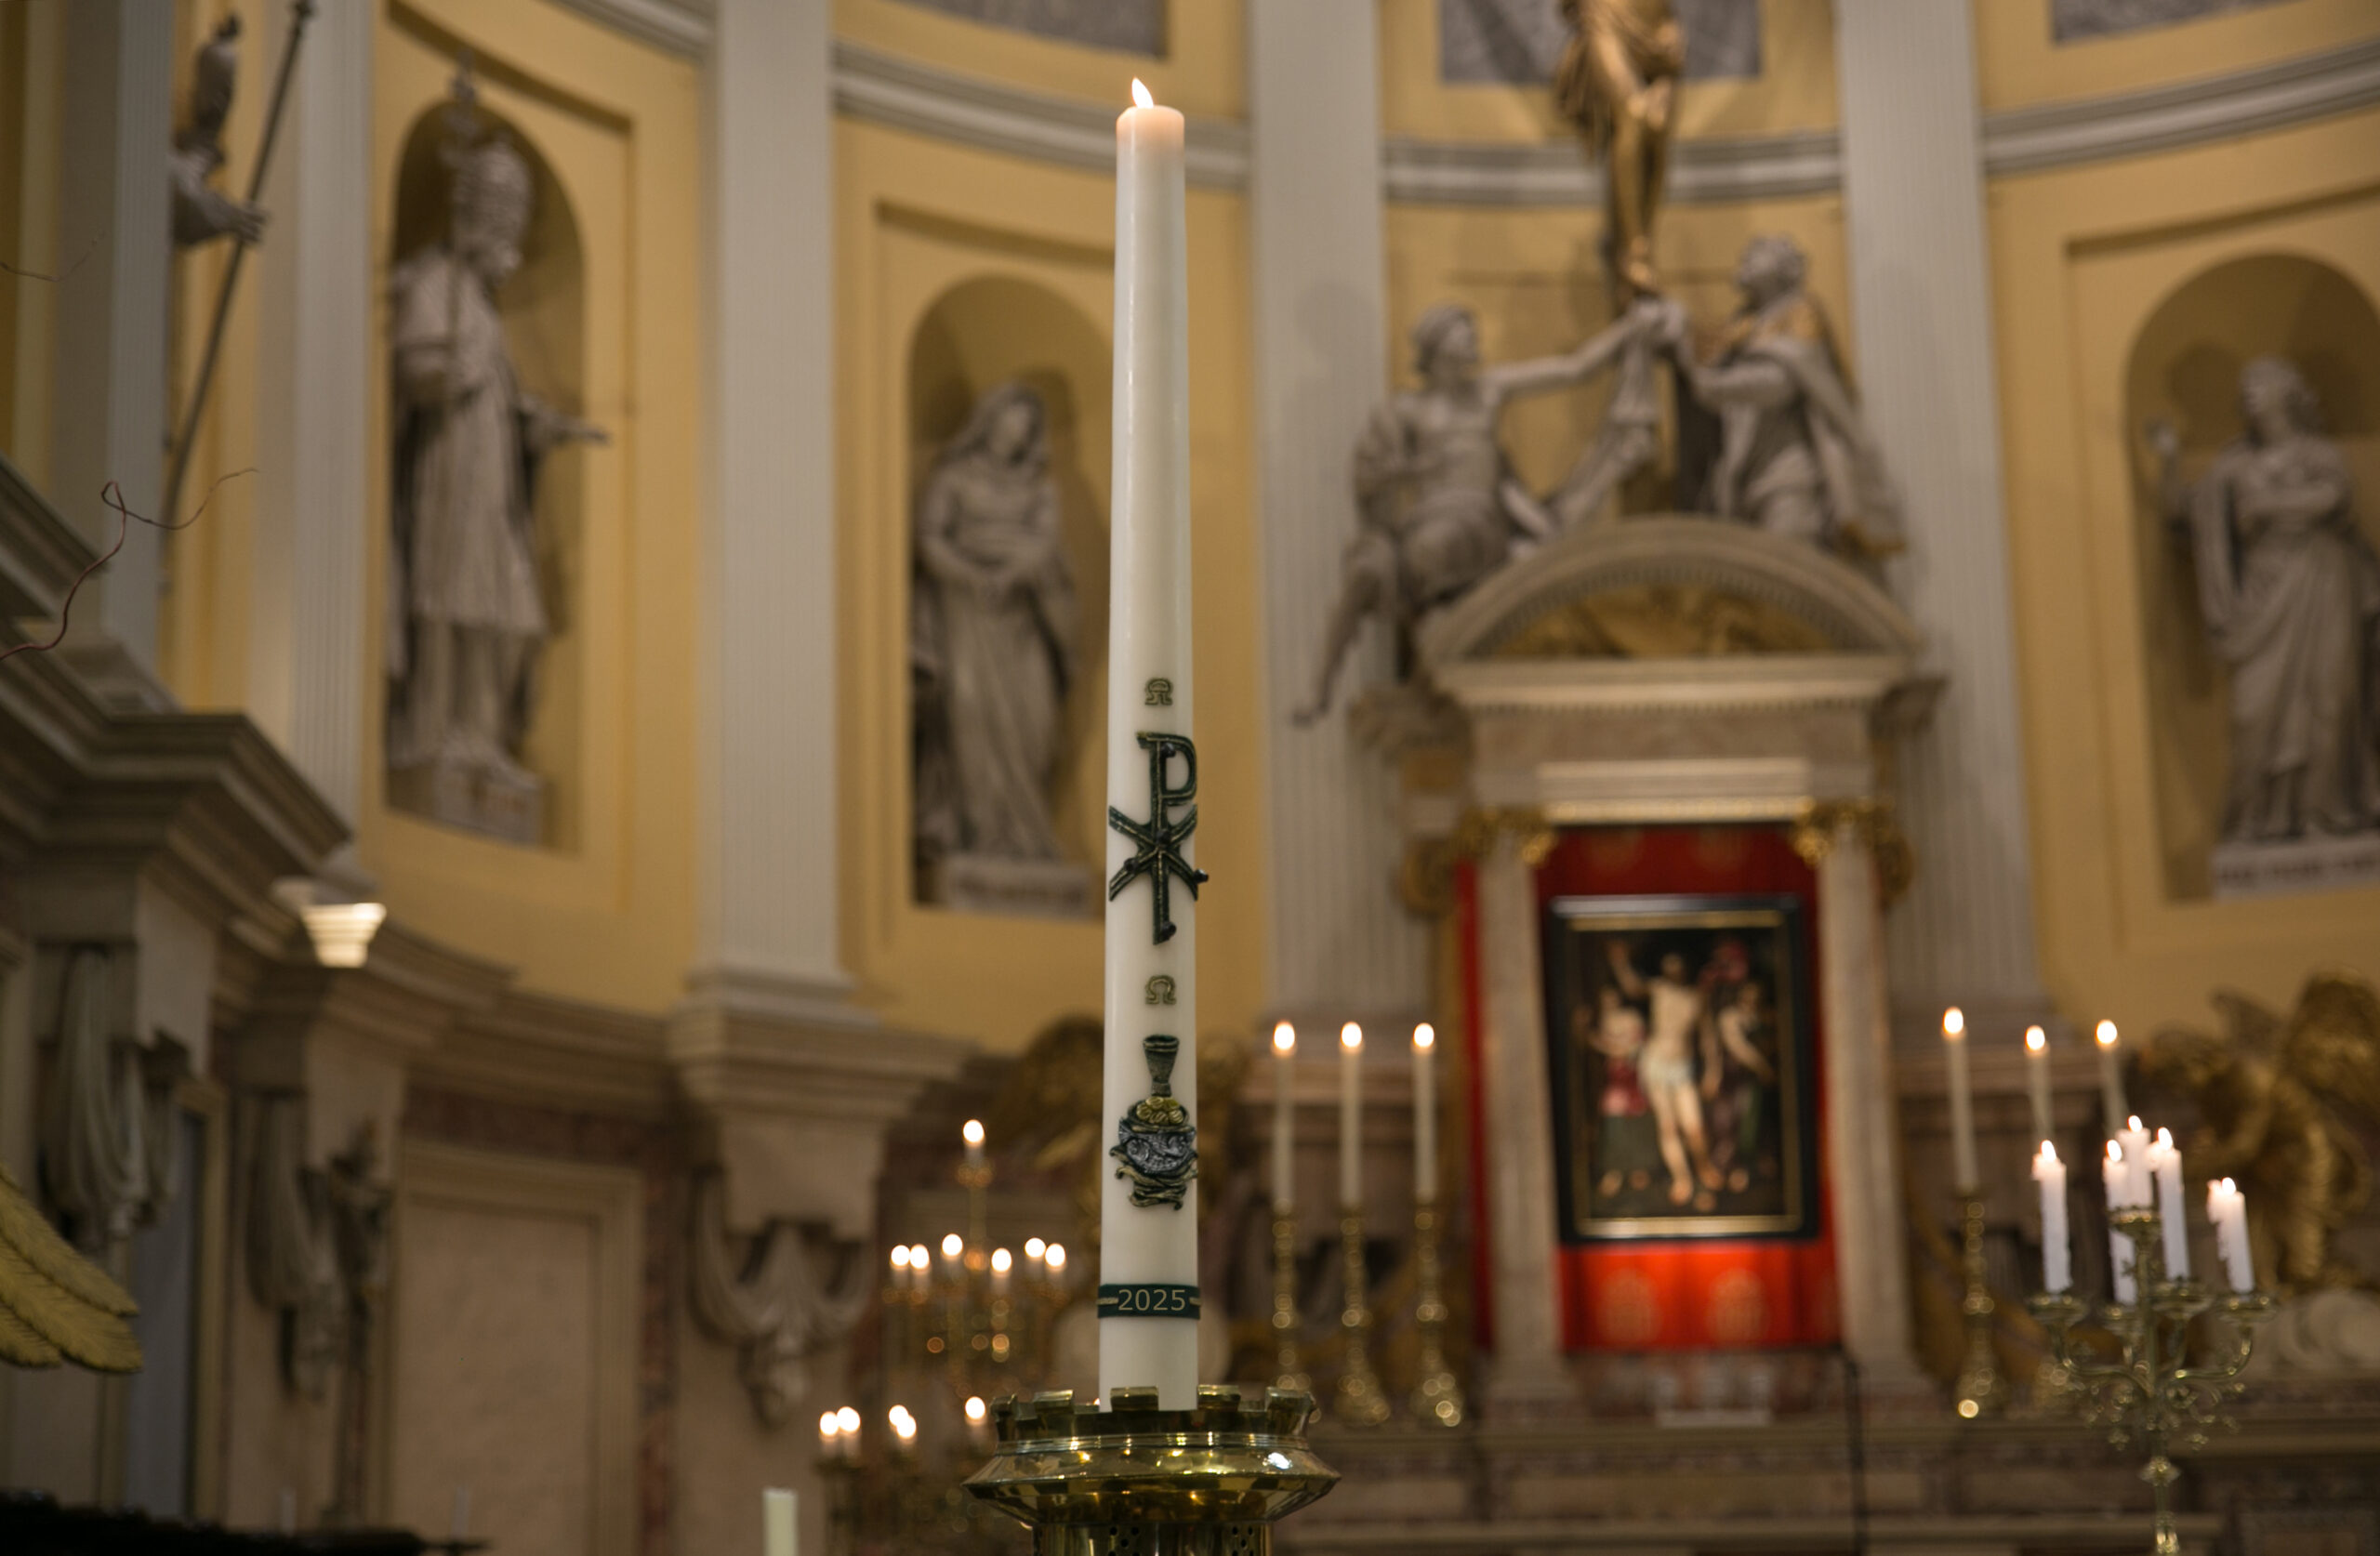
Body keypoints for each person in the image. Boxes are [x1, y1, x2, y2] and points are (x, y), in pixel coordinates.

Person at [1294, 299, 1662, 724]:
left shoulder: (1489, 389)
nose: (1474, 340)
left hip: (1481, 525)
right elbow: (1369, 478)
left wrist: (1628, 328)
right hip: (1431, 523)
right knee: (1379, 570)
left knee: (1462, 556)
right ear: (1438, 346)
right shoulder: (1404, 410)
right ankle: (1320, 689)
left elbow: (1573, 369)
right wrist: (1403, 472)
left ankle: (1446, 622)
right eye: (1464, 333)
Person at [387, 134, 606, 794]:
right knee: (450, 599)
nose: (509, 230)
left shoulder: (480, 305)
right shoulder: (437, 283)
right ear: (473, 214)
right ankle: (437, 735)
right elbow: (414, 368)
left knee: (508, 614)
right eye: (499, 214)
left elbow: (499, 402)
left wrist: (536, 426)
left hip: (492, 480)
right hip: (448, 472)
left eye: (517, 217)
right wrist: (447, 369)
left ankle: (481, 739)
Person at [2148, 358, 2380, 842]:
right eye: (2245, 383)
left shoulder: (2317, 452)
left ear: (2288, 393)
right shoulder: (2233, 466)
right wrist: (2169, 457)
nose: (2250, 389)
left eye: (2262, 380)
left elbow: (2335, 497)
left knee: (2330, 699)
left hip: (2323, 580)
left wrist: (2268, 504)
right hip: (2263, 591)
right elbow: (2182, 512)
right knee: (2252, 713)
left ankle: (2326, 813)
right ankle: (2258, 821)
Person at [911, 383, 1080, 873]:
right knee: (972, 718)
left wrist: (1009, 577)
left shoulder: (1039, 489)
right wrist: (972, 577)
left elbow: (1046, 545)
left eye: (1026, 429)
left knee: (1035, 724)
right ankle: (983, 837)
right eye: (1010, 423)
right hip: (965, 611)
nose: (1017, 436)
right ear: (988, 423)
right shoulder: (953, 478)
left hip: (1023, 612)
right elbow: (929, 537)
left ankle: (1027, 841)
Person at [1659, 235, 1903, 560]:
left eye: (1758, 253)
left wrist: (1714, 385)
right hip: (1745, 474)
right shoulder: (1744, 323)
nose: (1746, 257)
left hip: (1788, 475)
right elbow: (1702, 362)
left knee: (1788, 573)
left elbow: (1779, 384)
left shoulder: (1799, 315)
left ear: (1783, 267)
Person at [1554, 0, 1684, 300]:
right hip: (1605, 13)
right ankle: (1635, 254)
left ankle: (1641, 246)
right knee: (1632, 116)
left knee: (1657, 127)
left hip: (1658, 23)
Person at [1607, 941, 1723, 1207]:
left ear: (1685, 968)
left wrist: (1713, 1071)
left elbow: (1708, 1038)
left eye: (1677, 965)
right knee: (1668, 1127)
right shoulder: (1659, 989)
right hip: (1656, 1064)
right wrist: (1620, 962)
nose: (1673, 970)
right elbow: (1632, 986)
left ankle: (1703, 1167)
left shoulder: (1696, 998)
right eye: (1668, 965)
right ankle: (1682, 1179)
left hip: (1682, 1067)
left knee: (1694, 1127)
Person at [1579, 987, 1655, 1202]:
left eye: (1611, 998)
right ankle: (1615, 1172)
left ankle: (1638, 1169)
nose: (1609, 1003)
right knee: (1614, 1126)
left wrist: (1600, 1042)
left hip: (1633, 1077)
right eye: (1605, 1000)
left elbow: (1631, 1047)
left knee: (1637, 1124)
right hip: (1614, 1079)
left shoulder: (1630, 1017)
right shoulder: (1603, 1021)